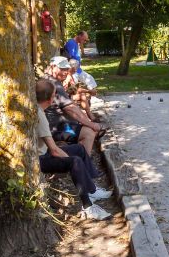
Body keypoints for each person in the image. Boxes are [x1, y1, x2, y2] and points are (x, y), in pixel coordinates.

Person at [35, 79, 112, 220]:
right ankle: (88, 207)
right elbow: (54, 151)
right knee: (75, 161)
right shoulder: (40, 116)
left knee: (79, 150)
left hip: (43, 152)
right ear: (51, 98)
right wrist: (72, 162)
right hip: (40, 159)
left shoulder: (38, 110)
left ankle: (92, 189)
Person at [44, 56, 103, 155]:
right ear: (53, 66)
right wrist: (91, 124)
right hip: (56, 128)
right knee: (89, 133)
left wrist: (87, 122)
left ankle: (79, 159)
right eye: (63, 69)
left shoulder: (48, 79)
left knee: (86, 128)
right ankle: (83, 164)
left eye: (67, 69)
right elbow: (70, 109)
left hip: (56, 124)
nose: (66, 71)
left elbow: (71, 107)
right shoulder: (54, 84)